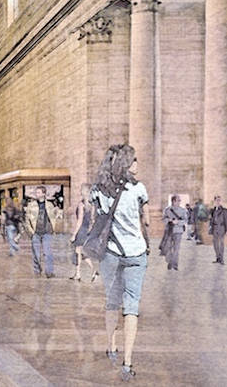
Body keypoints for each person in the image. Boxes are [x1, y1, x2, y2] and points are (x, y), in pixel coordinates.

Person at [91, 144, 149, 383]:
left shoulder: (99, 190)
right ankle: (127, 362)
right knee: (132, 306)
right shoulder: (139, 189)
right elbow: (145, 222)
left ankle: (111, 346)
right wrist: (147, 244)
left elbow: (97, 221)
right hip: (136, 253)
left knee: (112, 302)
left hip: (112, 254)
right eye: (134, 160)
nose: (137, 164)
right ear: (126, 163)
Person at [25, 186, 59, 277]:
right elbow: (27, 219)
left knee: (48, 253)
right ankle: (37, 270)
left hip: (47, 232)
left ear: (44, 194)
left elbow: (54, 217)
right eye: (36, 192)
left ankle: (49, 272)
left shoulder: (50, 205)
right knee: (36, 254)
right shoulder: (31, 205)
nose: (37, 194)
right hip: (35, 232)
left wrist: (53, 228)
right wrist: (31, 232)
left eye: (39, 192)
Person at [69, 183, 98, 282]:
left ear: (84, 191)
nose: (80, 191)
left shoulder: (81, 204)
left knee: (78, 252)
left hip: (81, 230)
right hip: (88, 230)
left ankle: (88, 271)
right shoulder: (92, 204)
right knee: (80, 252)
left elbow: (79, 221)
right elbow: (93, 219)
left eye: (81, 189)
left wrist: (74, 234)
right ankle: (79, 273)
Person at [161, 195, 188, 270]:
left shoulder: (183, 210)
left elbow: (185, 220)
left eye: (179, 201)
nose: (179, 202)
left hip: (178, 231)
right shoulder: (167, 210)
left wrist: (178, 222)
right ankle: (170, 262)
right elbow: (163, 219)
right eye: (178, 200)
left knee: (176, 248)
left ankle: (175, 265)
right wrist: (168, 220)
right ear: (173, 201)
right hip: (169, 231)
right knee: (168, 248)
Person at [209, 195, 227, 264]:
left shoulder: (224, 210)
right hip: (214, 228)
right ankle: (217, 257)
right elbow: (211, 220)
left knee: (221, 244)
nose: (218, 202)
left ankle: (221, 259)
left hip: (222, 228)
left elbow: (226, 220)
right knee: (215, 244)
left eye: (219, 200)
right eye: (217, 200)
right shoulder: (213, 210)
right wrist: (210, 227)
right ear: (214, 201)